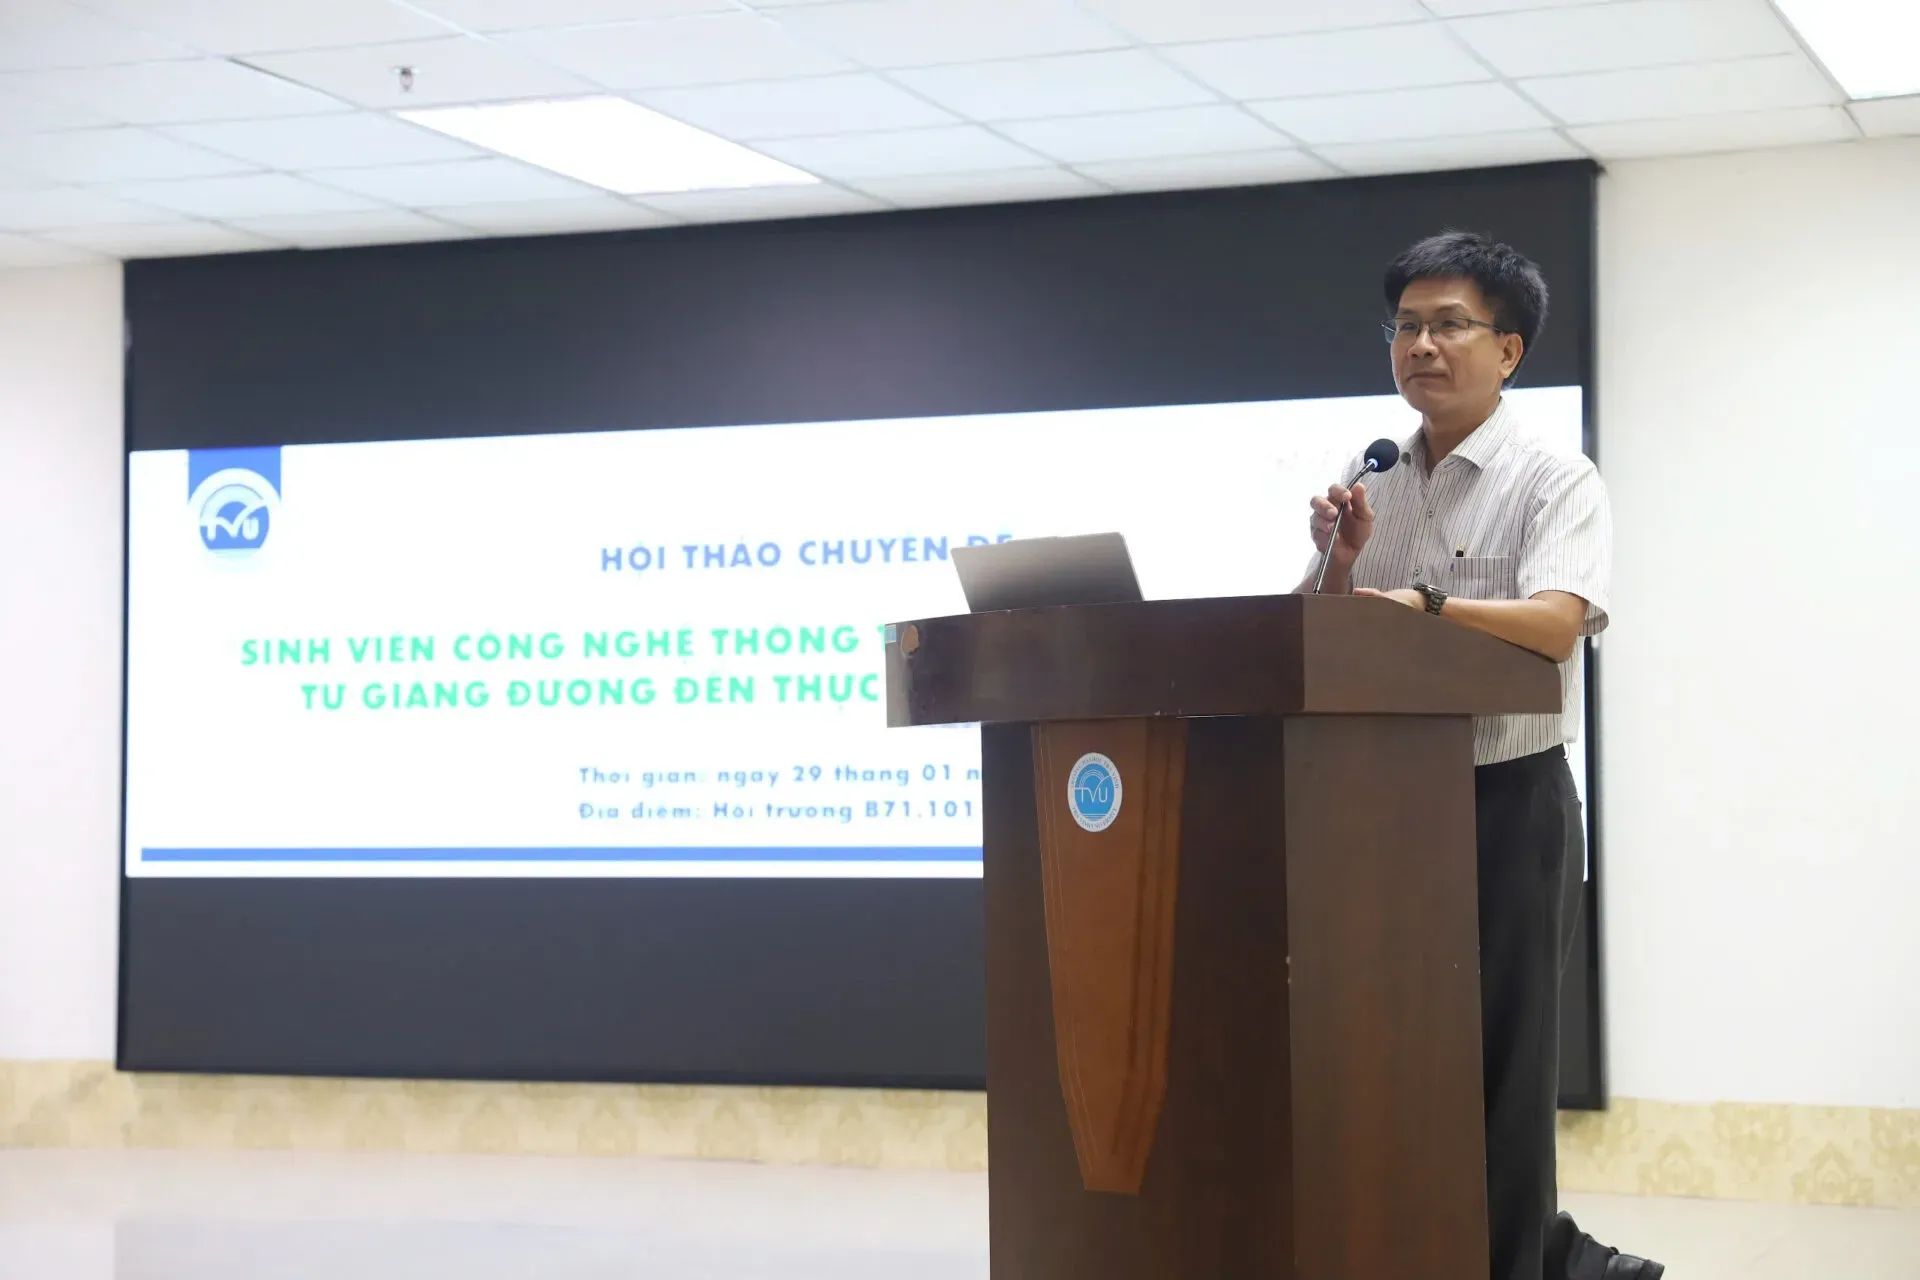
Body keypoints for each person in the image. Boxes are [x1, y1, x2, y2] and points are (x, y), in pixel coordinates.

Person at [1296, 231, 1663, 1280]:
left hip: (1509, 799)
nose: (1421, 344)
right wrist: (1340, 566)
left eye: (1448, 324)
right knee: (1390, 1054)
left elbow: (1557, 623)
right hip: (1383, 810)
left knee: (1504, 1062)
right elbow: (1321, 635)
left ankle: (1516, 1264)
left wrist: (1428, 603)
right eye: (1406, 325)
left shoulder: (1554, 477)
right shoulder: (1373, 476)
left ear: (1508, 350)